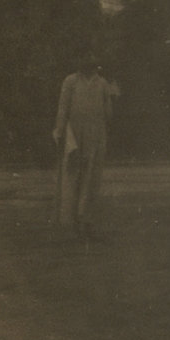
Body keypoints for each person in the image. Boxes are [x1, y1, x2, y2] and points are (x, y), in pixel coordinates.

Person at [53, 58, 118, 238]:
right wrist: (60, 134)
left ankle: (86, 221)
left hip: (96, 136)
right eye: (83, 58)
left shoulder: (102, 83)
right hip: (74, 135)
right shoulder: (71, 81)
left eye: (91, 59)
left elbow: (108, 114)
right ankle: (70, 222)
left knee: (91, 177)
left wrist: (112, 95)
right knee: (72, 176)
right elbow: (62, 109)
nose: (87, 63)